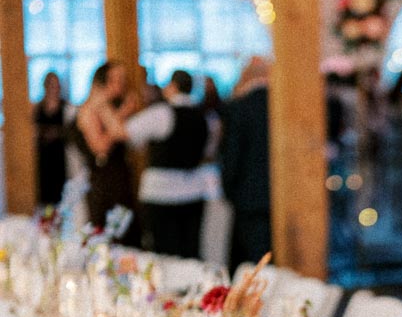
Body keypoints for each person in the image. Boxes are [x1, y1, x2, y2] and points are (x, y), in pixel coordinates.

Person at [121, 70, 209, 259]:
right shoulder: (203, 115)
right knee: (190, 252)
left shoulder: (162, 113)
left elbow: (127, 133)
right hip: (194, 190)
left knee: (163, 253)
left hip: (160, 193)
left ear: (173, 87)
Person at [70, 61, 137, 231]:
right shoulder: (95, 106)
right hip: (104, 182)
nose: (122, 85)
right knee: (108, 233)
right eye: (118, 80)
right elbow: (102, 145)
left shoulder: (107, 105)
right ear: (104, 81)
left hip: (116, 177)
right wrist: (125, 112)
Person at [220, 56, 272, 270]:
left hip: (248, 194)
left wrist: (229, 189)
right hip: (282, 195)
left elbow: (231, 155)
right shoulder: (282, 106)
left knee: (252, 263)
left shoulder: (238, 107)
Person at [34, 71, 67, 208]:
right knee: (44, 190)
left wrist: (56, 133)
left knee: (60, 189)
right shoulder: (39, 107)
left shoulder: (65, 106)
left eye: (56, 85)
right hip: (44, 154)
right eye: (51, 85)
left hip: (60, 154)